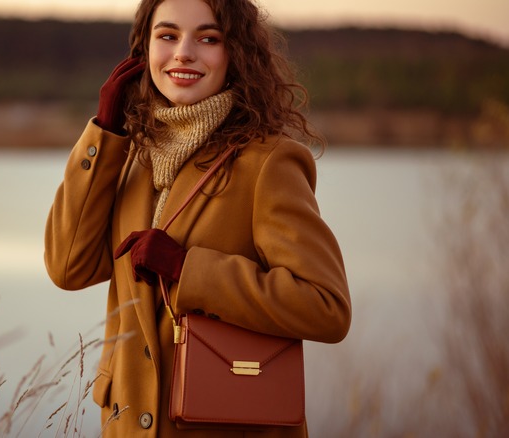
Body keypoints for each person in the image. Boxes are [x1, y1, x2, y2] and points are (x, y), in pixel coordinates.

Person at [44, 0, 352, 435]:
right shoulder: (131, 155)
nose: (184, 53)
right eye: (167, 36)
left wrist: (187, 269)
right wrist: (105, 133)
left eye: (208, 38)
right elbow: (67, 267)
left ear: (235, 52)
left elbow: (326, 307)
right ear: (143, 51)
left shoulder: (268, 162)